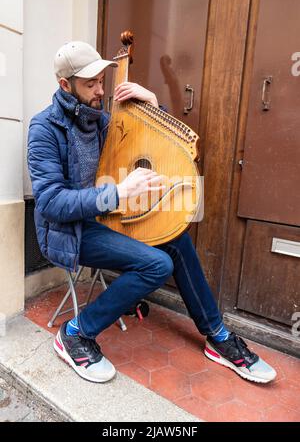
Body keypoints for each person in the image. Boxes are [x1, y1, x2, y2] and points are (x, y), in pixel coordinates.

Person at [27, 41, 276, 385]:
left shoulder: (99, 120)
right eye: (91, 84)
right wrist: (117, 192)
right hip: (69, 232)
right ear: (64, 85)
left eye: (102, 80)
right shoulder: (43, 129)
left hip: (103, 218)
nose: (102, 91)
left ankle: (218, 337)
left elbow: (156, 140)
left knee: (177, 239)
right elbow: (51, 203)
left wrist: (153, 102)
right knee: (157, 264)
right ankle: (75, 333)